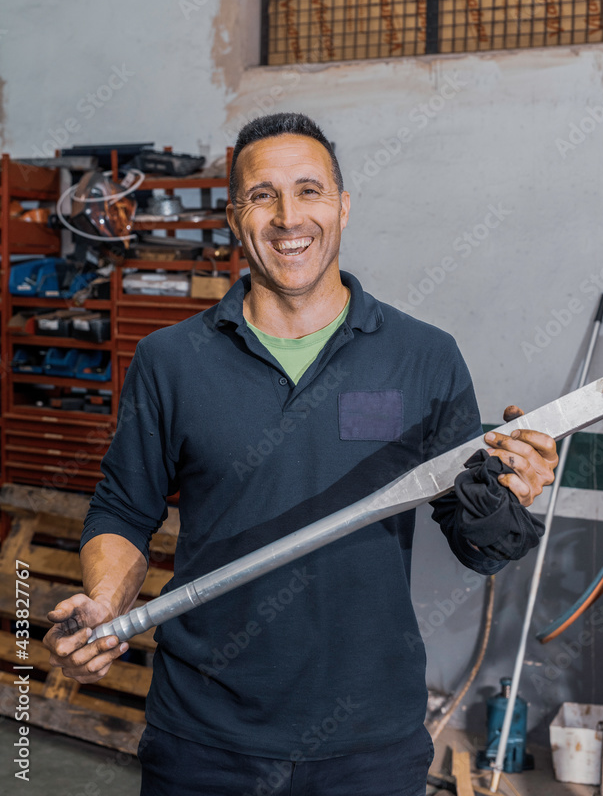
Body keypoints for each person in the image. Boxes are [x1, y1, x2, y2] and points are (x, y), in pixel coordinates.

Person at [44, 113, 558, 796]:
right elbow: (123, 507)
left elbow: (477, 545)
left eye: (309, 191)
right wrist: (107, 607)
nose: (289, 217)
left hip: (367, 738)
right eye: (263, 195)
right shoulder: (169, 360)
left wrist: (512, 495)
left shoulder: (423, 356)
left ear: (342, 207)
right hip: (204, 733)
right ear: (234, 215)